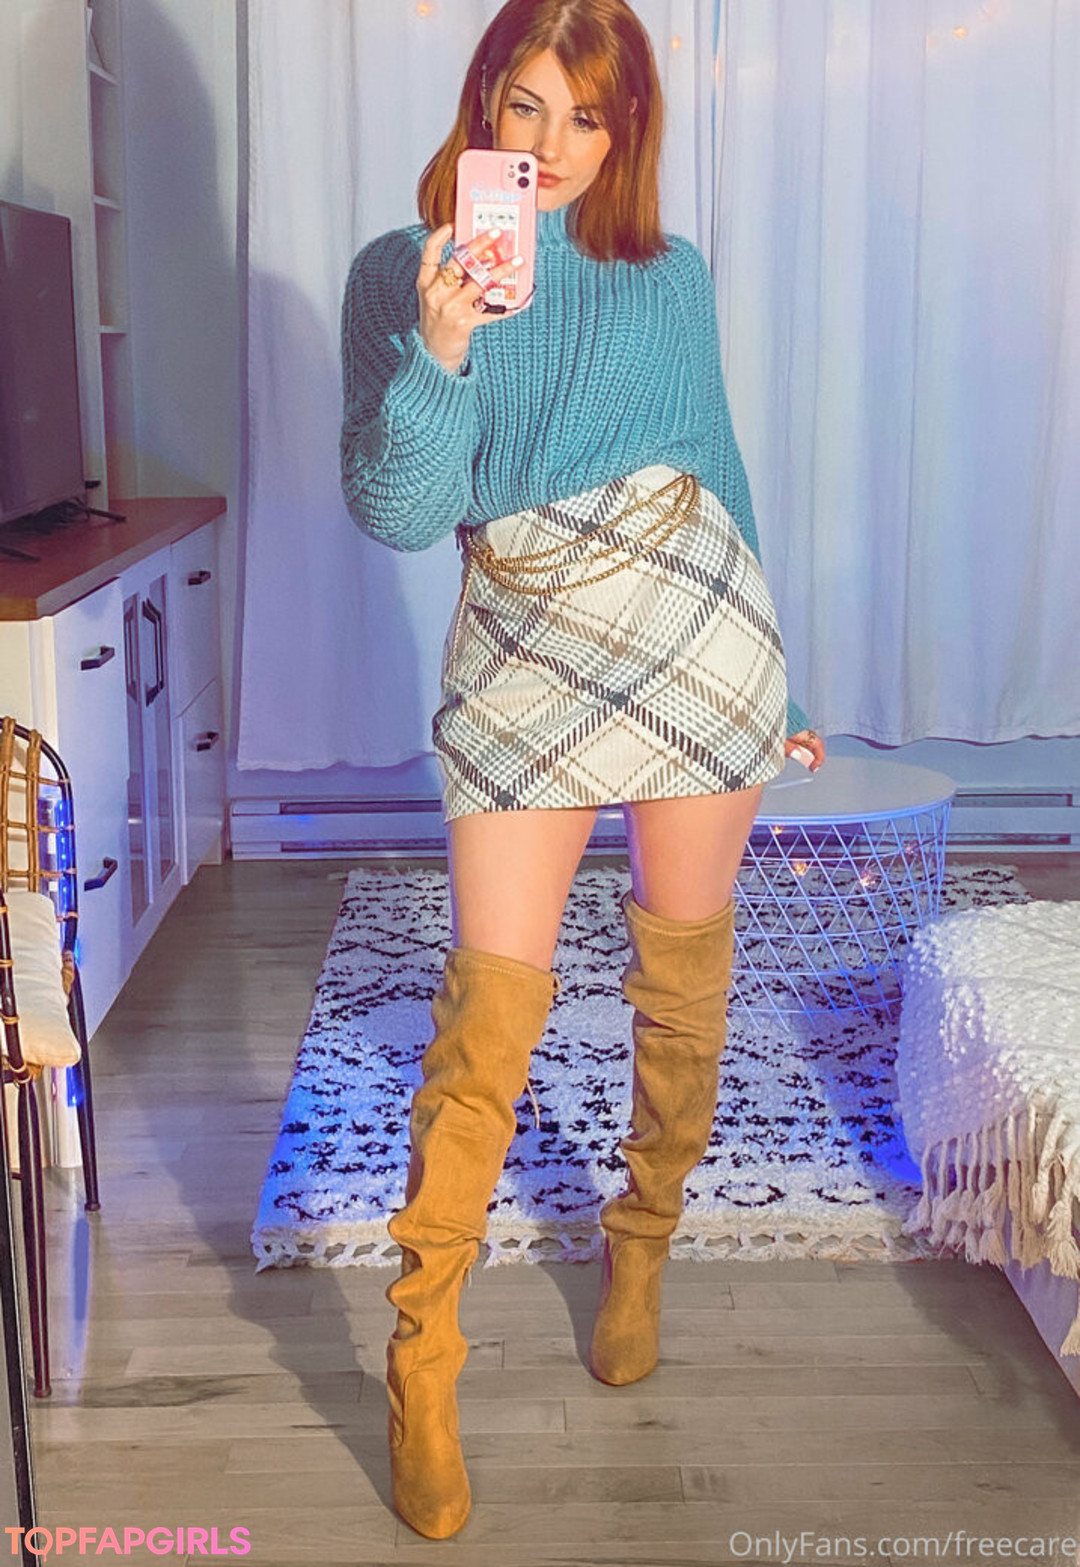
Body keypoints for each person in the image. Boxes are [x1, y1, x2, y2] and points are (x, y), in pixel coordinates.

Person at [340, 0, 825, 1540]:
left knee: (681, 978)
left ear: (628, 133)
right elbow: (398, 512)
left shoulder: (670, 276)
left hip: (696, 627)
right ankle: (423, 1356)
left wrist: (779, 684)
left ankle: (641, 1245)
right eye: (527, 106)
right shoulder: (400, 272)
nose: (552, 146)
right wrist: (443, 345)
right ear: (484, 100)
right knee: (491, 1012)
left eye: (588, 117)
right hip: (523, 640)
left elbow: (718, 464)